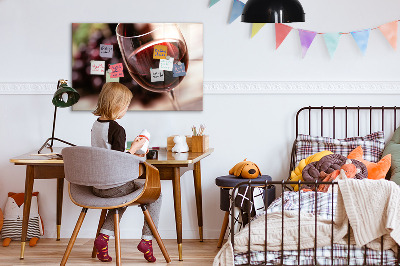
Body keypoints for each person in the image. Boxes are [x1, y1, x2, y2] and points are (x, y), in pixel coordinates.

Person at [91, 82, 162, 263]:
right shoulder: (117, 129)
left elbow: (108, 154)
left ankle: (104, 238)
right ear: (117, 105)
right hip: (114, 186)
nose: (126, 109)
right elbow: (119, 161)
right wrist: (136, 149)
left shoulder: (96, 125)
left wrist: (133, 150)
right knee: (156, 194)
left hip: (97, 186)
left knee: (121, 198)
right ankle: (147, 240)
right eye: (126, 106)